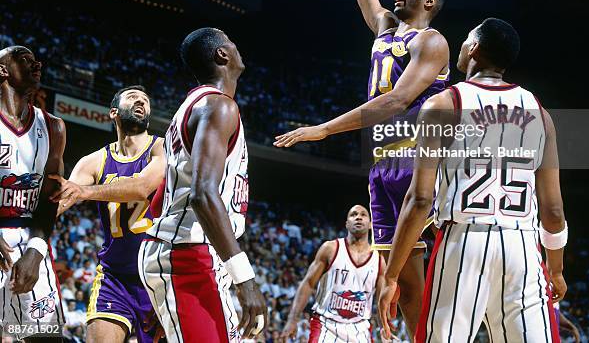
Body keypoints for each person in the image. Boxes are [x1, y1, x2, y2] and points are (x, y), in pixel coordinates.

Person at [274, 0, 449, 336]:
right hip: (382, 165)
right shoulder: (386, 28)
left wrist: (325, 129)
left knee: (426, 285)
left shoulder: (431, 42)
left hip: (419, 161)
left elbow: (396, 100)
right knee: (400, 287)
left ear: (428, 0)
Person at [379, 18, 567, 343]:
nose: (462, 46)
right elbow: (552, 210)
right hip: (523, 246)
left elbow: (420, 199)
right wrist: (556, 269)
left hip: (463, 241)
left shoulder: (443, 104)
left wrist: (392, 275)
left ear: (475, 49)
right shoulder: (540, 113)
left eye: (466, 40)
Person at [139, 28, 266, 343]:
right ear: (222, 54)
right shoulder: (217, 106)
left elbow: (166, 196)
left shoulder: (193, 108)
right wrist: (246, 279)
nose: (238, 47)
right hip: (188, 255)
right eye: (231, 42)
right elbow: (202, 194)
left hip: (187, 255)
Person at [50, 85, 164, 343]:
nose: (141, 102)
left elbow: (142, 187)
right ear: (114, 112)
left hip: (159, 279)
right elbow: (60, 202)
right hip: (115, 277)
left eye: (145, 100)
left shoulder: (162, 148)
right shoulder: (93, 162)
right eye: (133, 97)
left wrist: (85, 192)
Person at [0, 46, 66, 332]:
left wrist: (36, 251)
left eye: (36, 60)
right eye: (24, 59)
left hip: (28, 239)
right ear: (2, 70)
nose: (36, 64)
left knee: (44, 335)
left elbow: (50, 198)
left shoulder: (54, 127)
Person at [281, 205, 384, 343]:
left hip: (360, 329)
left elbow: (382, 299)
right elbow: (308, 283)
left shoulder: (379, 259)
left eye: (363, 214)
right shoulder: (330, 248)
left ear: (371, 224)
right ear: (347, 224)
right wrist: (292, 319)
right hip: (326, 326)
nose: (358, 217)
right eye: (353, 214)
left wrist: (384, 327)